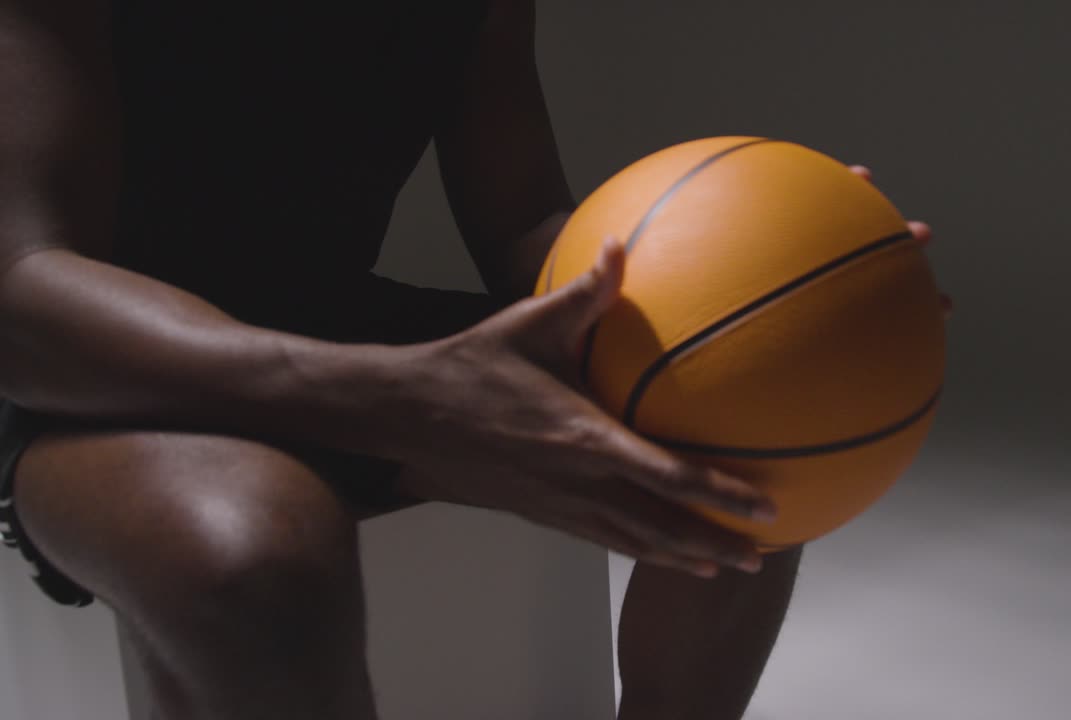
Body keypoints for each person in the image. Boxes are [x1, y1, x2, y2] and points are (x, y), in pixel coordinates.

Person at [0, 0, 941, 718]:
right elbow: (26, 284)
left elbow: (526, 220)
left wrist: (774, 270)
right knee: (252, 561)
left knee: (752, 412)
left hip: (326, 320)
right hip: (90, 356)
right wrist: (389, 397)